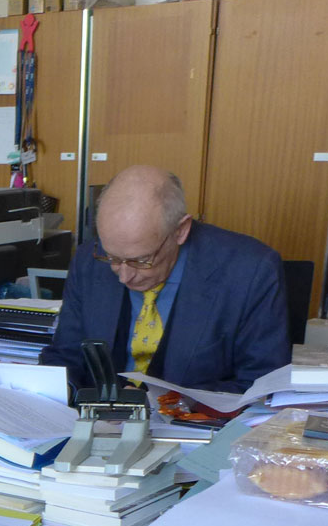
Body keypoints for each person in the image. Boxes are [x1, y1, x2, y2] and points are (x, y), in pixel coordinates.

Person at [40, 165, 290, 394]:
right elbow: (66, 354)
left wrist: (167, 405)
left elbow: (262, 383)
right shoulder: (88, 258)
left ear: (181, 230)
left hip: (193, 429)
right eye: (113, 258)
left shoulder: (250, 270)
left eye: (141, 260)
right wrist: (61, 392)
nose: (124, 276)